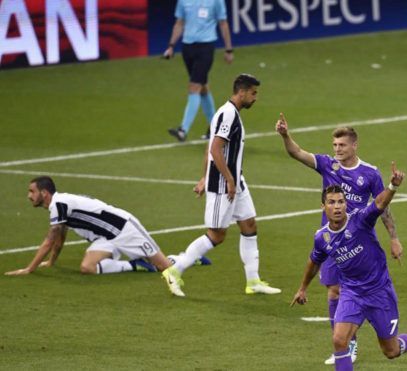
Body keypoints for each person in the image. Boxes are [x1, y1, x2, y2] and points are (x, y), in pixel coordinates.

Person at [276, 116, 402, 364]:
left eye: (342, 145)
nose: (337, 150)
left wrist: (394, 238)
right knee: (333, 291)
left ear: (354, 145)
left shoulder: (369, 173)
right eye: (334, 145)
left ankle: (363, 329)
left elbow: (382, 206)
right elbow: (297, 153)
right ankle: (348, 344)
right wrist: (284, 135)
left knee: (355, 289)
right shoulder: (327, 165)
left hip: (359, 236)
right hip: (333, 240)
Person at [291, 164, 407, 371]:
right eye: (331, 202)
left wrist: (392, 187)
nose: (337, 206)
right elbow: (314, 260)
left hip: (379, 292)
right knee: (340, 341)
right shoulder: (321, 237)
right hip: (351, 293)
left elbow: (379, 203)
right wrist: (302, 288)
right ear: (323, 207)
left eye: (341, 201)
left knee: (391, 351)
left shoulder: (360, 220)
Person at [163, 74, 281, 295]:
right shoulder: (228, 115)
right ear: (242, 92)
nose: (255, 98)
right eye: (253, 93)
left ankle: (253, 281)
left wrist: (203, 177)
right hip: (223, 186)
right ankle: (174, 270)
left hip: (236, 182)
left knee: (249, 226)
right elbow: (216, 149)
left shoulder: (230, 113)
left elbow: (210, 147)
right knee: (216, 235)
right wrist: (225, 179)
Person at [5, 176, 185, 297]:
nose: (29, 196)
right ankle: (134, 264)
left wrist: (29, 269)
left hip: (124, 229)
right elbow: (59, 239)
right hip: (104, 238)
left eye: (32, 191)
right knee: (87, 267)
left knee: (164, 266)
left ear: (44, 193)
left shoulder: (59, 204)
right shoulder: (58, 206)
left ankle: (186, 258)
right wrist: (51, 262)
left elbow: (49, 241)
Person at [164, 0, 234, 142]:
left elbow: (223, 23)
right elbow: (179, 22)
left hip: (206, 47)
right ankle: (215, 128)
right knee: (202, 87)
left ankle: (183, 130)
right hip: (187, 48)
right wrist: (171, 46)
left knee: (194, 86)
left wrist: (228, 49)